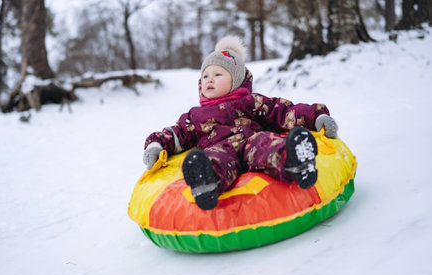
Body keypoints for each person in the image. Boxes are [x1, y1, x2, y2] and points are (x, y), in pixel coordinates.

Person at [143, 36, 338, 210]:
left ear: (236, 80)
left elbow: (283, 111)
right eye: (205, 76)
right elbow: (177, 133)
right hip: (220, 148)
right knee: (214, 160)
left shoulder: (250, 101)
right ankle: (206, 181)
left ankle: (295, 160)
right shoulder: (195, 115)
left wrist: (317, 116)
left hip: (251, 142)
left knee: (266, 144)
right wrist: (155, 144)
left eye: (218, 75)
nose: (209, 80)